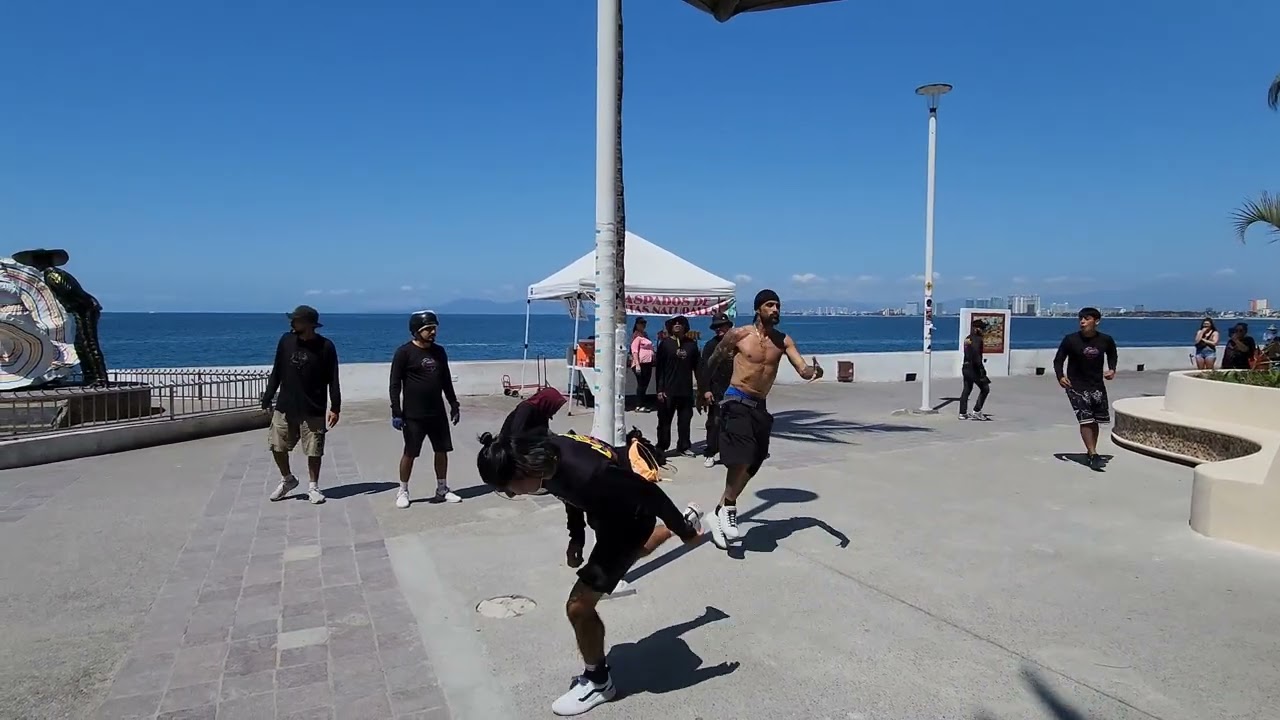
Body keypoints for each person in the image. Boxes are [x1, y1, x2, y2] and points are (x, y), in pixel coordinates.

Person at [475, 429, 704, 716]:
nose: (511, 494)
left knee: (578, 607)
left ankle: (599, 683)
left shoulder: (589, 473)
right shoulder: (550, 456)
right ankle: (674, 526)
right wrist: (577, 537)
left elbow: (650, 493)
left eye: (509, 487)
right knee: (639, 552)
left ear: (523, 469)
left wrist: (687, 536)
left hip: (626, 522)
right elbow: (567, 493)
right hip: (608, 513)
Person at [701, 290, 823, 549]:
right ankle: (730, 508)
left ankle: (718, 511)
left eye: (778, 305)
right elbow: (712, 360)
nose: (775, 309)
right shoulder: (739, 335)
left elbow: (802, 370)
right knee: (741, 457)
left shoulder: (783, 341)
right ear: (758, 309)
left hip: (760, 406)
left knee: (753, 463)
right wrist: (703, 390)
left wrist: (815, 370)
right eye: (770, 305)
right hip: (735, 400)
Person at [263, 305, 342, 504]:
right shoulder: (286, 340)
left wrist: (335, 407)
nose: (292, 323)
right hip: (285, 406)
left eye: (296, 320)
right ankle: (288, 479)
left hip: (313, 407)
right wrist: (268, 395)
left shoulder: (326, 346)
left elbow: (333, 379)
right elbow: (277, 370)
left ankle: (313, 487)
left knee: (314, 450)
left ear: (308, 324)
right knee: (277, 446)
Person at [389, 310, 462, 508]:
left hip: (437, 413)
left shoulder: (439, 352)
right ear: (416, 331)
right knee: (410, 453)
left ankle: (442, 488)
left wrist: (453, 403)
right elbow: (395, 384)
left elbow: (445, 379)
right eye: (428, 329)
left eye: (434, 328)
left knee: (442, 451)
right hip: (413, 415)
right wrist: (396, 412)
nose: (433, 332)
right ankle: (403, 490)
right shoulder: (404, 353)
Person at [1052, 307, 1118, 472]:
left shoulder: (1106, 340)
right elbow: (1058, 360)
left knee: (1096, 420)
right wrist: (1060, 376)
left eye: (1086, 319)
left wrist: (1112, 369)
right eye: (1080, 318)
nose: (1082, 322)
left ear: (1096, 321)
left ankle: (1091, 451)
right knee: (1086, 420)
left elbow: (1112, 354)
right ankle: (1093, 453)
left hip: (1096, 385)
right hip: (1076, 385)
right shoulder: (1070, 340)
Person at [653, 315, 702, 457]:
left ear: (685, 326)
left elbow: (698, 367)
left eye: (680, 323)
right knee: (664, 421)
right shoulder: (665, 344)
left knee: (685, 421)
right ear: (670, 327)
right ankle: (661, 447)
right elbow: (660, 369)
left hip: (686, 391)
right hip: (668, 390)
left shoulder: (691, 344)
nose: (677, 325)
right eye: (674, 323)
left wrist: (701, 388)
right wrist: (660, 389)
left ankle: (684, 446)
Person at [699, 313, 735, 467]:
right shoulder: (710, 345)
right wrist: (705, 390)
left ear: (728, 327)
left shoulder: (737, 344)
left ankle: (728, 454)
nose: (719, 329)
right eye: (717, 327)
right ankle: (710, 452)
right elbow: (703, 370)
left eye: (722, 326)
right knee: (714, 422)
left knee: (732, 423)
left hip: (734, 390)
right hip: (715, 389)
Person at [500, 385, 568, 437]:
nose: (555, 412)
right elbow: (517, 434)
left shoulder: (542, 412)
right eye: (555, 408)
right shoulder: (526, 408)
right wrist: (542, 432)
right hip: (510, 446)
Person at [959, 318, 992, 420]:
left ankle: (962, 413)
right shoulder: (978, 340)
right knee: (985, 388)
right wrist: (982, 371)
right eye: (982, 329)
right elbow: (977, 356)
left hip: (965, 366)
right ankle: (977, 411)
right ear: (977, 329)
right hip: (974, 368)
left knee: (967, 389)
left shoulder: (967, 339)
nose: (983, 331)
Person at [629, 318, 655, 412]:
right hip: (640, 363)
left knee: (645, 385)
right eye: (641, 323)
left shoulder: (645, 335)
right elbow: (634, 351)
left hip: (648, 363)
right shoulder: (636, 336)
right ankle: (639, 405)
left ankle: (642, 403)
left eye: (644, 323)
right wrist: (637, 364)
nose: (643, 325)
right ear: (636, 325)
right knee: (641, 384)